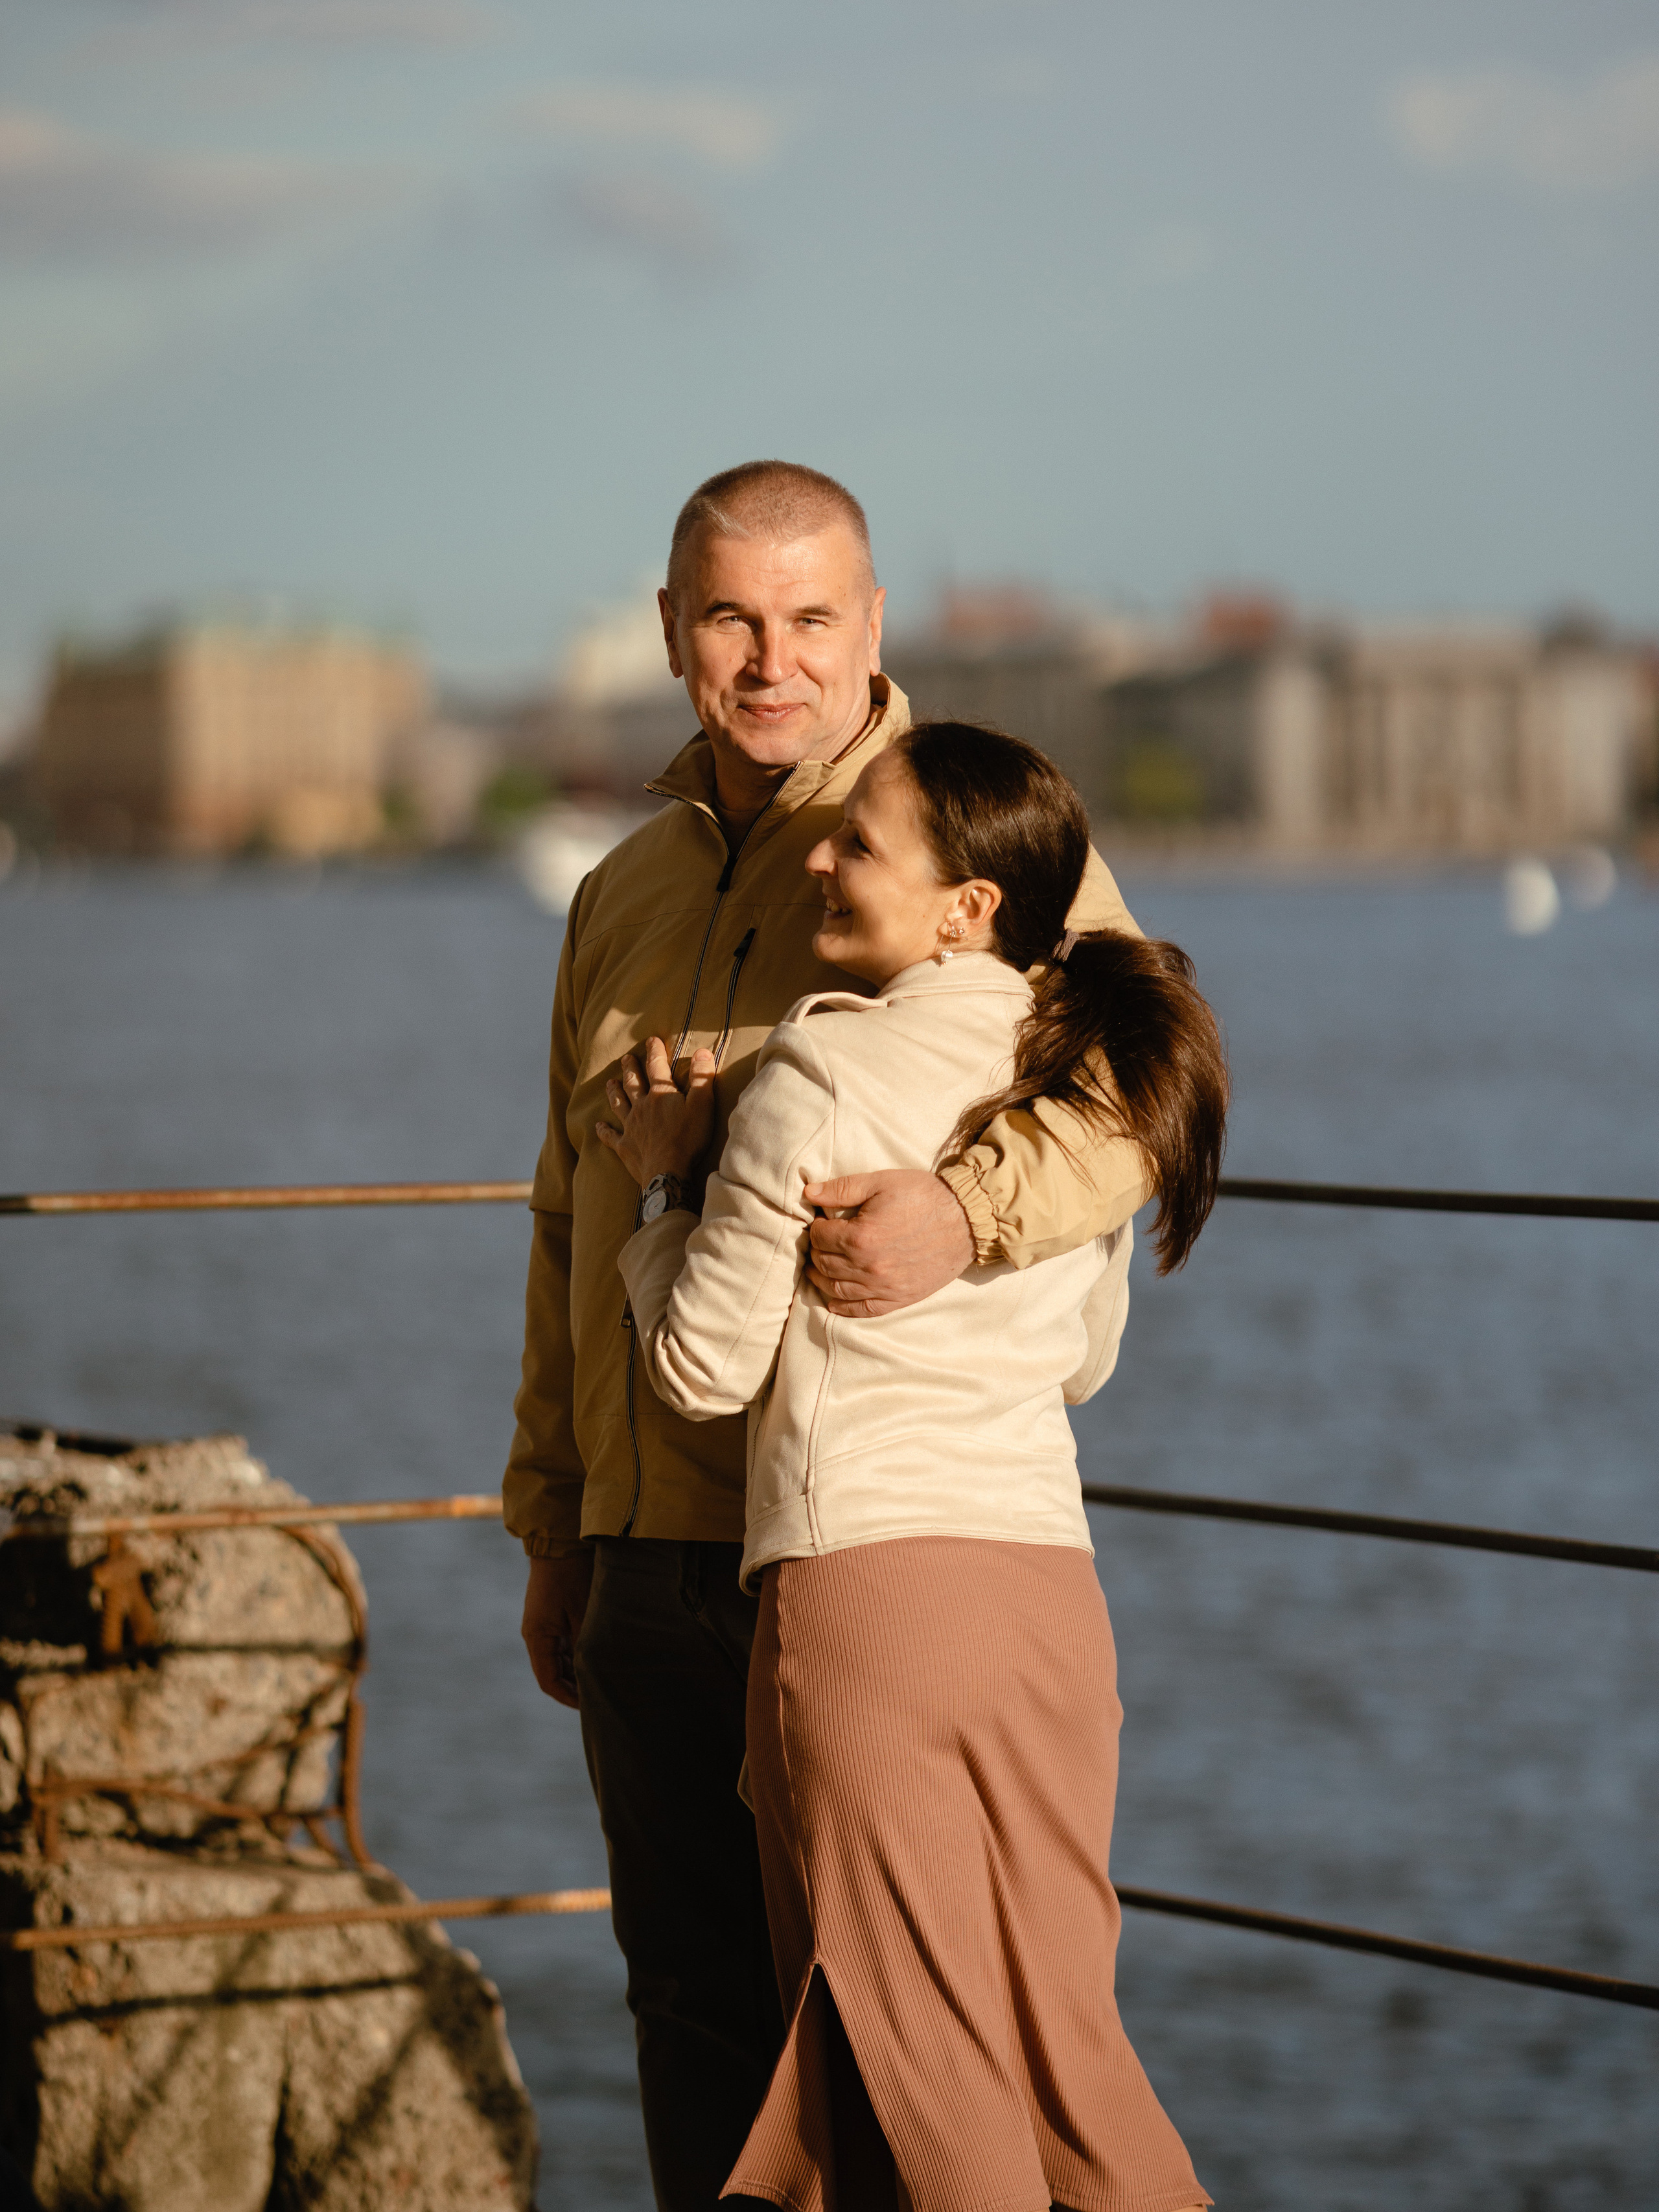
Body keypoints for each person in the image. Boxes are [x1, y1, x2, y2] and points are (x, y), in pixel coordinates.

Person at [505, 461, 1155, 2211]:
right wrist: (552, 1520)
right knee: (697, 2029)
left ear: (872, 626)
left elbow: (1136, 1100)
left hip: (853, 1551)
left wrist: (968, 1210)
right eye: (731, 617)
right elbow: (569, 1217)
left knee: (904, 2051)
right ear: (672, 631)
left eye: (810, 617)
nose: (770, 658)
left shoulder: (970, 841)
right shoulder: (617, 890)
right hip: (646, 1561)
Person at [598, 721, 1226, 2212]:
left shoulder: (818, 1069)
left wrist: (666, 1184)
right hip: (1045, 1603)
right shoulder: (1082, 1083)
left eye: (859, 844)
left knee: (922, 2068)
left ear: (966, 907)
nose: (822, 857)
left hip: (868, 1593)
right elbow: (1083, 1359)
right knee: (1067, 2059)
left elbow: (698, 1370)